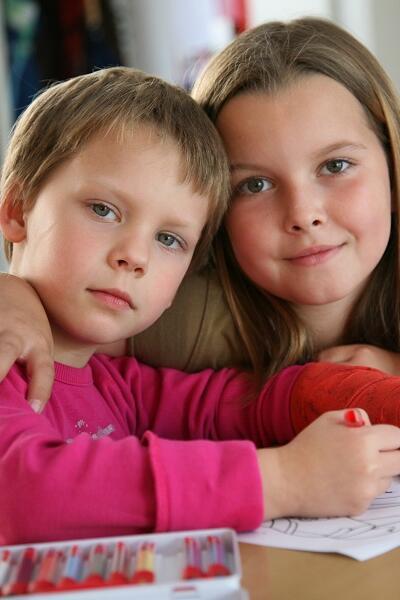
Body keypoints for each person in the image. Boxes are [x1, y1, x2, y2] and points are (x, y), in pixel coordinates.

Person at [4, 64, 396, 546]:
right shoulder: (6, 357)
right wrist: (283, 480)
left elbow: (234, 404)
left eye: (169, 239)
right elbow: (25, 493)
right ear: (16, 210)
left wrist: (375, 399)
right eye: (104, 210)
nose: (135, 256)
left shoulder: (116, 386)